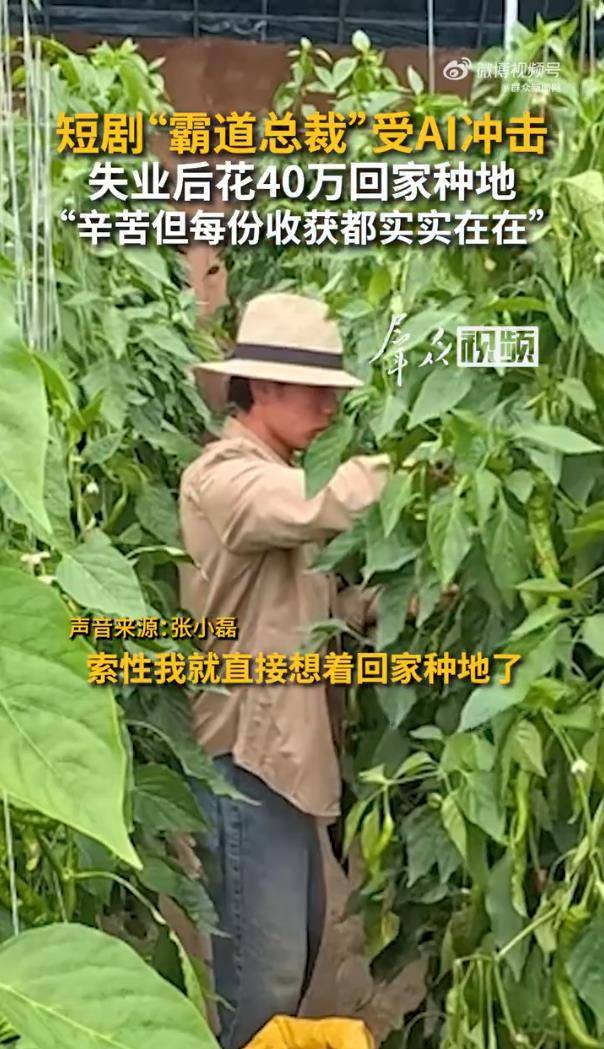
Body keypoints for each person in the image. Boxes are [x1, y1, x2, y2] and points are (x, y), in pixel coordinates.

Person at [178, 290, 393, 1049]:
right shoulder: (226, 478)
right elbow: (313, 505)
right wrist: (429, 465)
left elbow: (318, 604)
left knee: (292, 954)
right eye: (316, 390)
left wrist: (396, 599)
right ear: (263, 387)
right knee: (261, 982)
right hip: (249, 756)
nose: (332, 407)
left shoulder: (277, 471)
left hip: (289, 754)